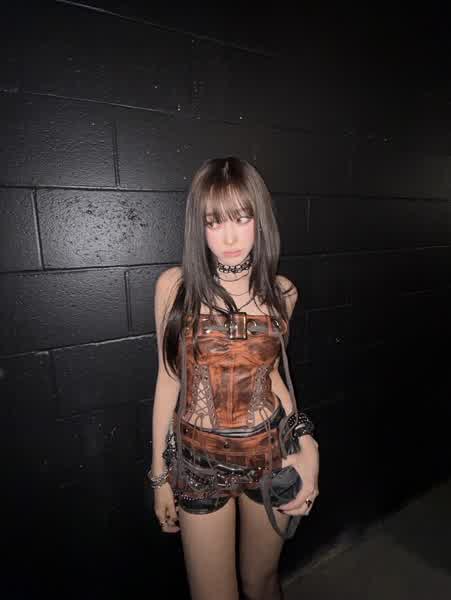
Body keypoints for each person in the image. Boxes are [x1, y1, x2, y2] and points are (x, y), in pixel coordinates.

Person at [148, 157, 320, 600]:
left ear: (260, 220)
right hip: (198, 464)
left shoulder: (282, 292)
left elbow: (273, 377)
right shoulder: (174, 287)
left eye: (242, 218)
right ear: (199, 226)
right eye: (214, 221)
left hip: (270, 454)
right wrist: (159, 476)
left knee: (261, 582)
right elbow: (168, 381)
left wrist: (307, 445)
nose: (229, 237)